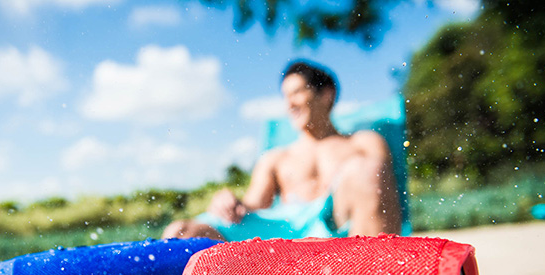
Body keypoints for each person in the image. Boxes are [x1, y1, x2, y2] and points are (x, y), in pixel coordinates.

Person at [162, 60, 401, 241]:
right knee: (181, 232)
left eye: (297, 92)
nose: (289, 104)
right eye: (285, 96)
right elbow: (253, 204)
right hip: (285, 231)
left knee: (367, 170)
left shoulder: (363, 143)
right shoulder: (276, 158)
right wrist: (230, 203)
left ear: (326, 94)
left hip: (339, 229)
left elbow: (382, 200)